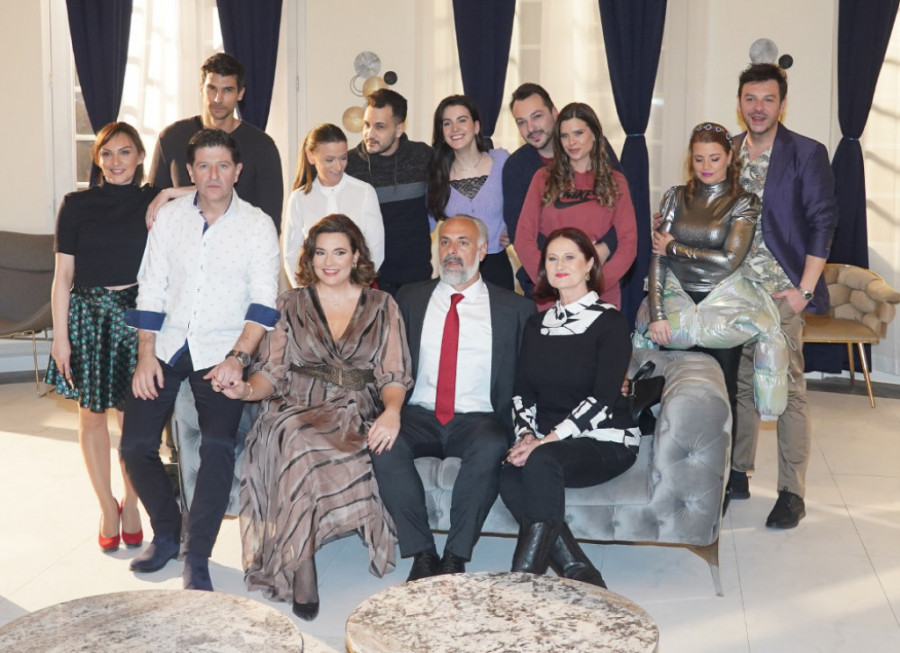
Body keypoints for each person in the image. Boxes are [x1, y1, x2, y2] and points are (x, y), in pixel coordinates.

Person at [228, 214, 413, 621]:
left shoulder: (383, 305)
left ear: (356, 256)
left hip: (354, 407)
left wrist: (392, 412)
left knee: (304, 439)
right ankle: (303, 563)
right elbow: (271, 372)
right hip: (294, 402)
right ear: (309, 257)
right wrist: (245, 391)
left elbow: (393, 374)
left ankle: (301, 550)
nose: (329, 262)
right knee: (295, 434)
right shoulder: (289, 304)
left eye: (339, 252)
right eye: (320, 253)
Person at [120, 129, 280, 591]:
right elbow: (151, 286)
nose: (213, 175)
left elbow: (263, 302)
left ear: (237, 171)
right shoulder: (169, 219)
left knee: (216, 446)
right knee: (134, 446)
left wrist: (238, 358)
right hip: (167, 344)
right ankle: (168, 532)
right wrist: (145, 355)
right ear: (190, 171)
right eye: (204, 166)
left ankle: (198, 554)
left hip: (222, 351)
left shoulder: (257, 225)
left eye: (223, 165)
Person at [371, 215, 534, 582]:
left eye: (463, 242)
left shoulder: (514, 309)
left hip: (479, 419)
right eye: (445, 242)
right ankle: (422, 553)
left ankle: (455, 556)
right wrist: (388, 411)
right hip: (420, 414)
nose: (452, 251)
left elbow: (533, 372)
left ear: (483, 250)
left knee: (491, 445)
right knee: (382, 444)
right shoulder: (410, 298)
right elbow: (388, 358)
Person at [499, 227, 639, 588]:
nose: (559, 265)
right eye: (552, 258)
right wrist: (525, 436)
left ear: (590, 264)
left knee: (541, 461)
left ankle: (522, 585)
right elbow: (522, 392)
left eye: (569, 257)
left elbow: (603, 400)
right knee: (509, 471)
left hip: (606, 439)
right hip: (549, 441)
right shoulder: (536, 324)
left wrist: (545, 442)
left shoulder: (610, 321)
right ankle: (582, 574)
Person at [730, 63, 838, 529]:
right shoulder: (728, 150)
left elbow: (822, 224)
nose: (758, 108)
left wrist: (803, 292)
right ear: (740, 103)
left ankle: (792, 492)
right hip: (734, 292)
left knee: (787, 390)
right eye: (750, 98)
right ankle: (737, 473)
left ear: (782, 104)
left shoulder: (806, 153)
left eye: (768, 99)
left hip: (782, 292)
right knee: (739, 385)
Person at [46, 122, 160, 553]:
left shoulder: (153, 200)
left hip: (136, 317)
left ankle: (132, 503)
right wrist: (61, 338)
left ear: (140, 156)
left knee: (134, 420)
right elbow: (63, 277)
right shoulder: (75, 205)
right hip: (88, 317)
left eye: (125, 152)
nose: (115, 161)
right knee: (91, 416)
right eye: (107, 153)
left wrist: (166, 192)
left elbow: (204, 188)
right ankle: (107, 507)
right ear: (97, 159)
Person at [515, 102, 637, 309]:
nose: (571, 142)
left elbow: (629, 242)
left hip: (601, 294)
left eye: (578, 133)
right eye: (564, 135)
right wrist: (550, 281)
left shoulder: (616, 182)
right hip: (553, 295)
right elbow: (523, 238)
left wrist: (593, 284)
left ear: (595, 134)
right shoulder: (542, 178)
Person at [147, 52, 283, 230]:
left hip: (240, 243)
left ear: (240, 93)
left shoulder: (262, 146)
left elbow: (271, 221)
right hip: (180, 242)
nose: (218, 98)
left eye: (227, 90)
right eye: (212, 88)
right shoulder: (172, 137)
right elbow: (153, 208)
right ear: (201, 89)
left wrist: (176, 192)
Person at [345, 89, 433, 295]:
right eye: (367, 125)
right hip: (366, 279)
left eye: (380, 126)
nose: (370, 133)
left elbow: (452, 190)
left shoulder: (423, 156)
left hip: (415, 278)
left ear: (399, 128)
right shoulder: (349, 164)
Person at [426, 95, 513, 290]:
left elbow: (524, 204)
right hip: (455, 269)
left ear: (476, 126)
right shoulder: (436, 174)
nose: (455, 129)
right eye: (447, 123)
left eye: (462, 120)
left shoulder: (501, 161)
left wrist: (513, 230)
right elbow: (424, 226)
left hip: (496, 267)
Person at [282, 123, 384, 284]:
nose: (338, 166)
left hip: (356, 288)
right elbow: (291, 254)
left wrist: (356, 288)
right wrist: (305, 293)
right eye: (329, 160)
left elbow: (375, 248)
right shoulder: (298, 198)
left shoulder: (364, 192)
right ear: (311, 157)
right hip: (314, 290)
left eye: (343, 158)